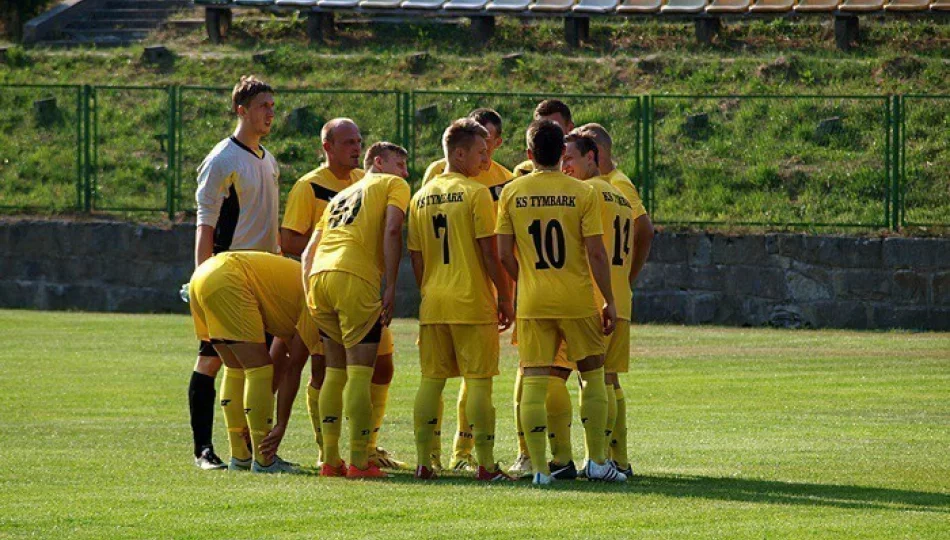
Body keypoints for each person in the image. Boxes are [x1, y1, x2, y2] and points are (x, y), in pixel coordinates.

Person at [496, 120, 625, 485]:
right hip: (578, 298)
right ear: (561, 153)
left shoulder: (511, 192)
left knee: (534, 382)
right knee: (593, 374)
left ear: (530, 154)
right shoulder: (582, 192)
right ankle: (598, 462)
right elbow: (597, 253)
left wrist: (528, 280)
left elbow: (503, 253)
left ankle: (540, 469)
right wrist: (610, 301)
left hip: (534, 300)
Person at [280, 118, 403, 470]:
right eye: (401, 165)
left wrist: (310, 293)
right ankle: (360, 459)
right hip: (354, 278)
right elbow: (393, 229)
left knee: (334, 371)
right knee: (360, 373)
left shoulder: (344, 194)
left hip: (320, 278)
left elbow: (308, 253)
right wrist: (392, 285)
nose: (405, 173)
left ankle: (329, 459)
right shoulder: (390, 185)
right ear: (380, 164)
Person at [408, 119, 515, 481]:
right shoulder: (475, 193)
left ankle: (425, 461)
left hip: (433, 302)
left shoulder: (419, 197)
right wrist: (505, 296)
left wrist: (429, 292)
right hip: (471, 300)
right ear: (458, 153)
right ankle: (485, 464)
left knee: (431, 381)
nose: (486, 160)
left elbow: (417, 258)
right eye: (480, 153)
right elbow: (490, 253)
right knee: (480, 382)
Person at [189, 75, 279, 470]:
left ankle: (251, 451)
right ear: (240, 110)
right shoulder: (222, 158)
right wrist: (201, 278)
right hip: (227, 277)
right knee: (212, 360)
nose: (270, 113)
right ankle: (204, 451)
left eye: (273, 106)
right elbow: (205, 223)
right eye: (263, 106)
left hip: (261, 276)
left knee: (253, 364)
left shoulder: (268, 158)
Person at [576, 123, 654, 476]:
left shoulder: (600, 189)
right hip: (618, 296)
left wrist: (623, 277)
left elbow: (642, 230)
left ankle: (601, 459)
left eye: (571, 157)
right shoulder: (618, 194)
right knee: (610, 378)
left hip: (597, 295)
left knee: (595, 379)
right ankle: (617, 458)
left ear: (594, 154)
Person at [508, 98, 576, 478]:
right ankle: (560, 457)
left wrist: (518, 280)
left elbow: (501, 249)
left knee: (539, 376)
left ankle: (538, 460)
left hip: (534, 292)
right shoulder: (581, 183)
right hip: (570, 292)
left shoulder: (514, 186)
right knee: (555, 375)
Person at [188, 251, 300, 474]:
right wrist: (280, 425)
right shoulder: (318, 307)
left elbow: (282, 361)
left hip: (202, 276)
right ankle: (264, 460)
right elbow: (294, 369)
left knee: (235, 368)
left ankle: (240, 456)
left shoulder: (305, 291)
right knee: (259, 368)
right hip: (229, 279)